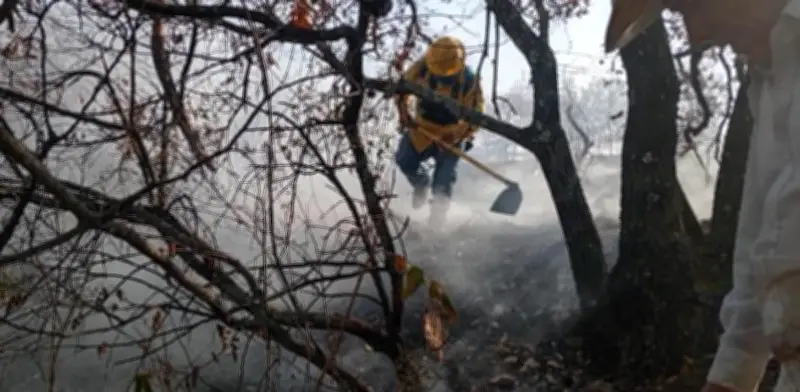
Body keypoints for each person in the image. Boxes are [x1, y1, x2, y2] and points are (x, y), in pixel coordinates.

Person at [605, 0, 800, 391]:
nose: (696, 36)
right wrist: (731, 375)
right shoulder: (770, 81)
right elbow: (759, 242)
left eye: (692, 7)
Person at [394, 35, 485, 224]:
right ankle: (420, 182)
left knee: (443, 183)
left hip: (452, 135)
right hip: (422, 129)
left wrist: (458, 134)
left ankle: (436, 223)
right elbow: (401, 90)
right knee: (404, 160)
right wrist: (403, 112)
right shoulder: (422, 68)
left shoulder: (469, 81)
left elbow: (476, 116)